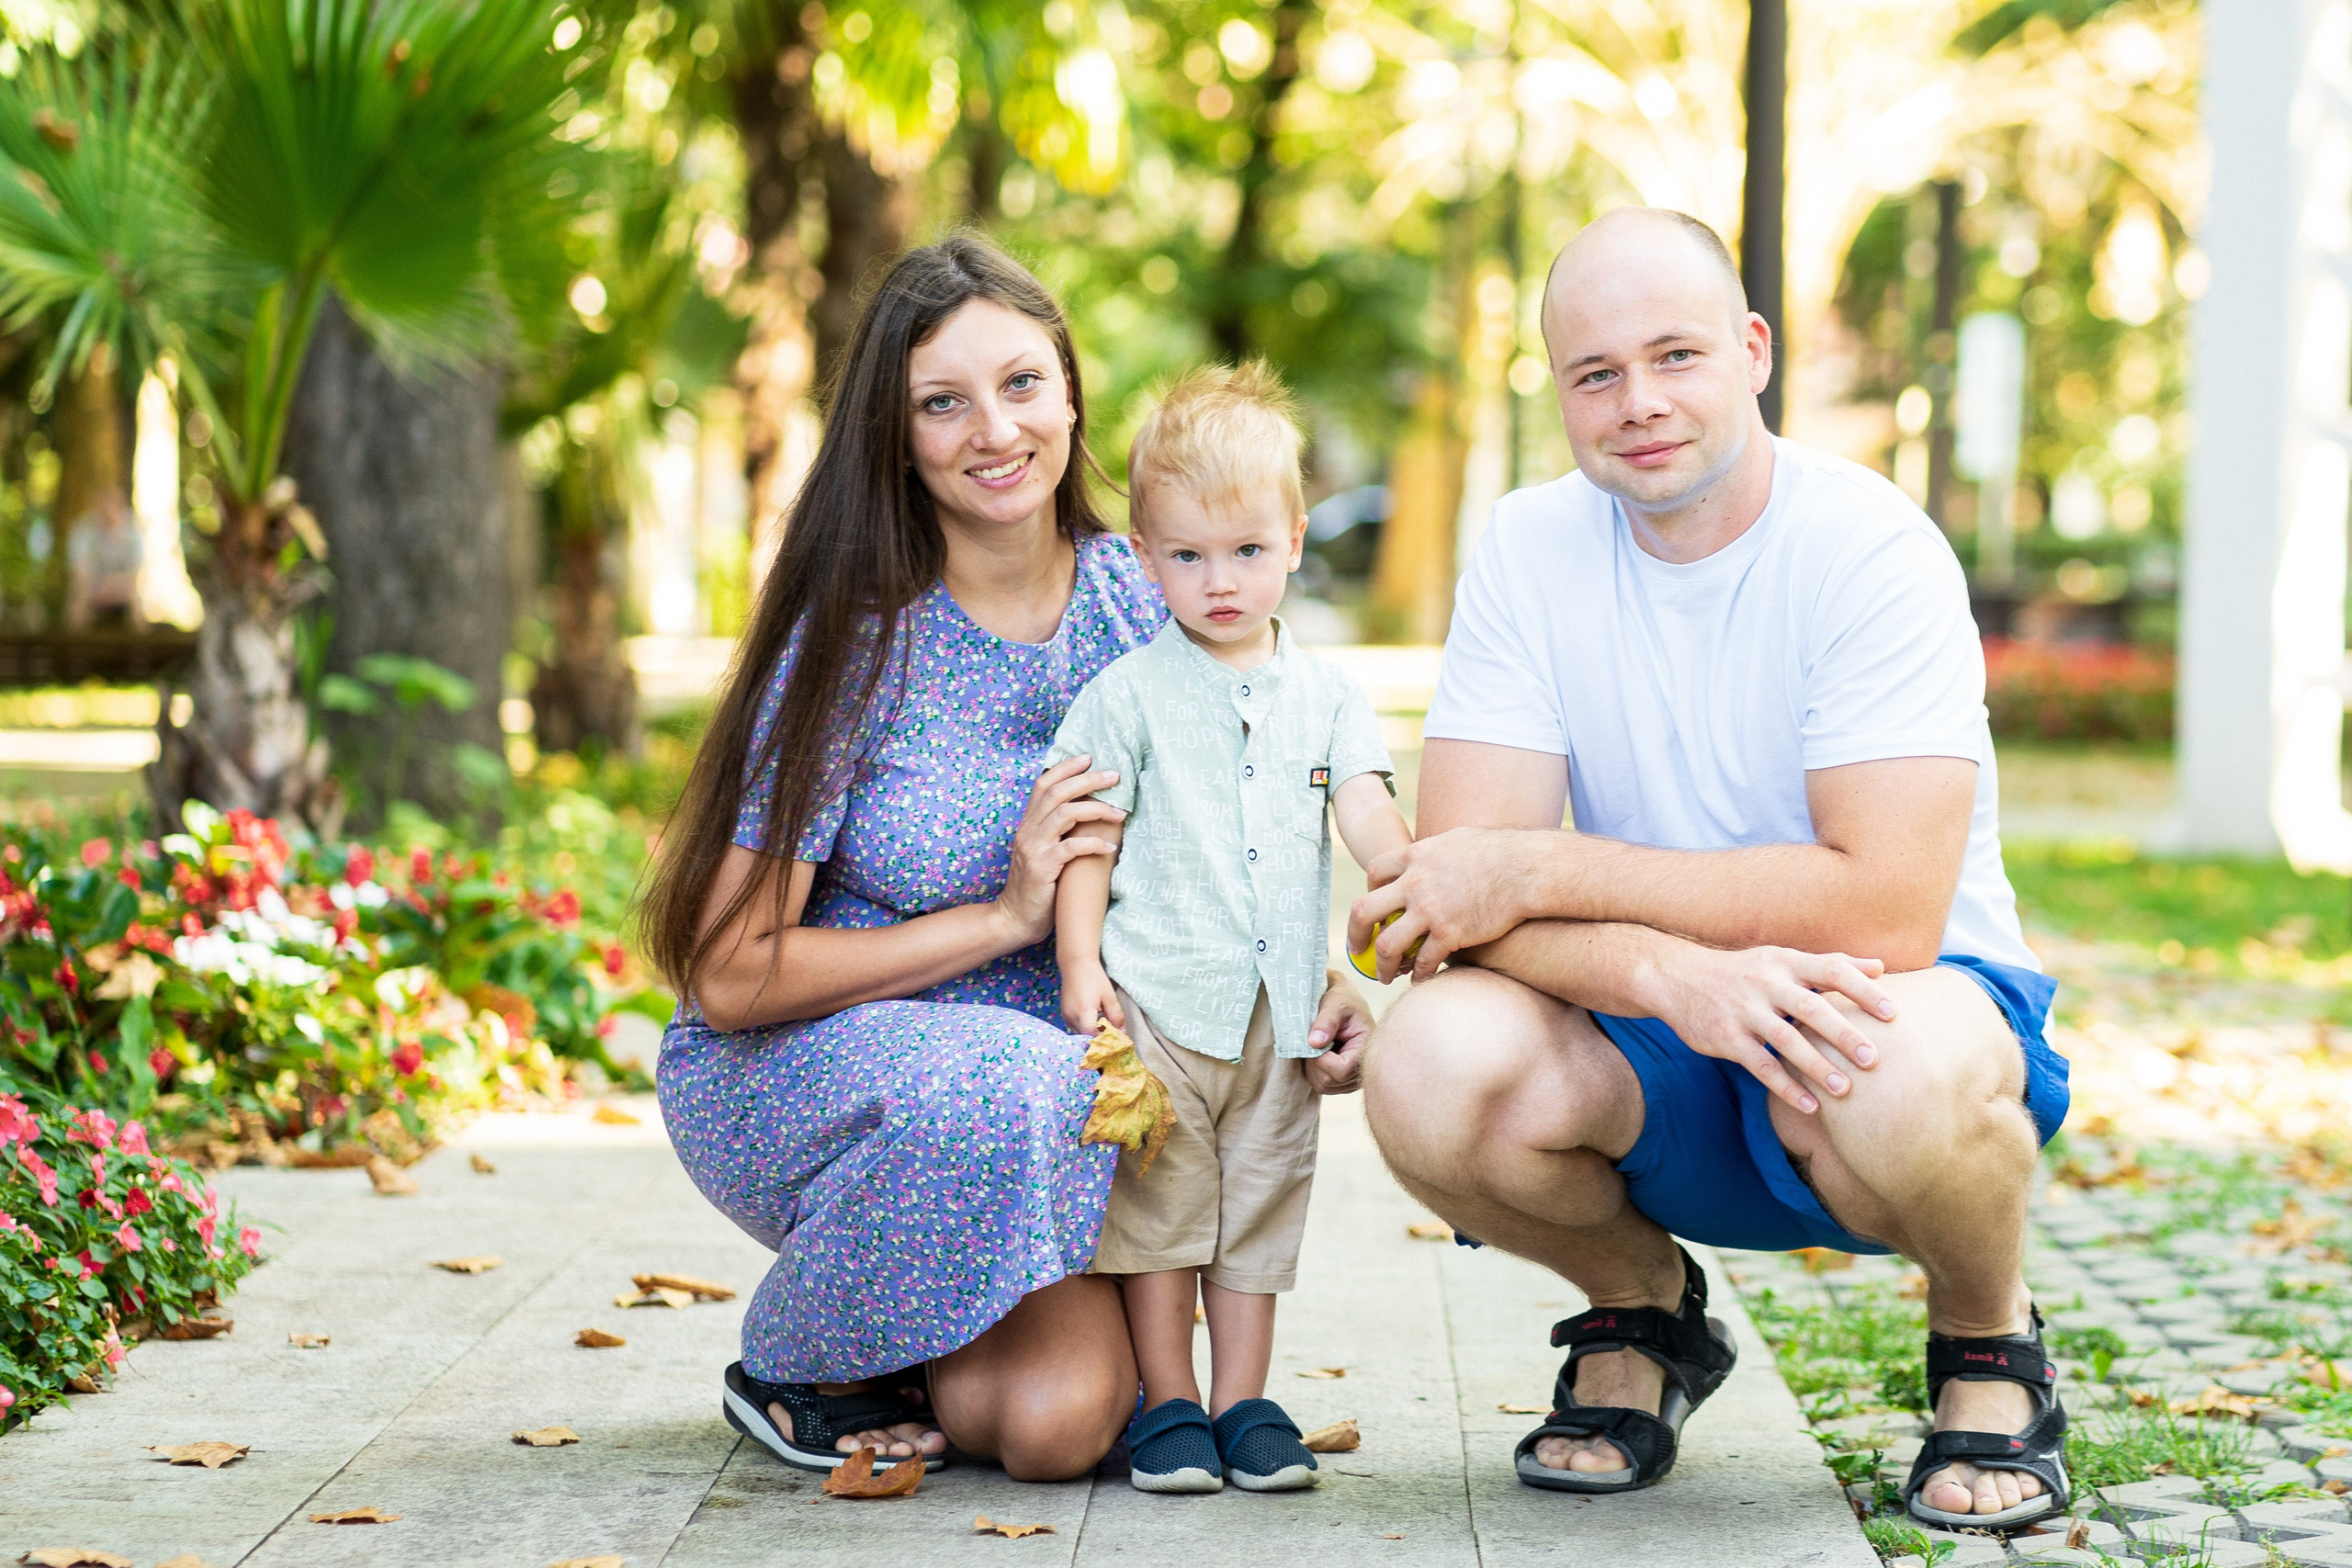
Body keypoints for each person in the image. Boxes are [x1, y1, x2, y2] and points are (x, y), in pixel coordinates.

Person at [1348, 208, 2070, 1533]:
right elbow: (1458, 897)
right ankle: (1642, 1309)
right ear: (1560, 391)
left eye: (1674, 355)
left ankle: (1987, 1335)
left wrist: (1547, 865)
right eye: (1596, 373)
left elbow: (1885, 905)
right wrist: (1665, 977)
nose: (1638, 402)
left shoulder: (1870, 546)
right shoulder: (1527, 546)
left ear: (1753, 351)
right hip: (1650, 1046)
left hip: (1894, 1005)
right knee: (1429, 1064)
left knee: (1889, 1063)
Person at [641, 235, 1375, 1482]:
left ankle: (915, 1340)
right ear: (898, 435)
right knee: (1022, 1077)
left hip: (1064, 1094)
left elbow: (1252, 820)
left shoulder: (1147, 594)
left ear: (1072, 395)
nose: (995, 430)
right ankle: (803, 1357)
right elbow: (727, 974)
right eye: (944, 401)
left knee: (1058, 1421)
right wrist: (1004, 915)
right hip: (823, 1065)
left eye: (1023, 383)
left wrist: (1314, 977)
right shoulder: (853, 641)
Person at [1046, 363, 1412, 1495]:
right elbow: (1087, 842)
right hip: (1156, 1005)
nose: (1219, 582)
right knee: (1158, 1213)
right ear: (1144, 558)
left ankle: (1243, 1401)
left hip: (1277, 1017)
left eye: (1247, 551)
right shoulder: (1125, 695)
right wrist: (1077, 964)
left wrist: (1403, 870)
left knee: (1257, 1208)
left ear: (1294, 541)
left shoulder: (1328, 697)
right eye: (1188, 557)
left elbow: (1366, 806)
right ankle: (1169, 1402)